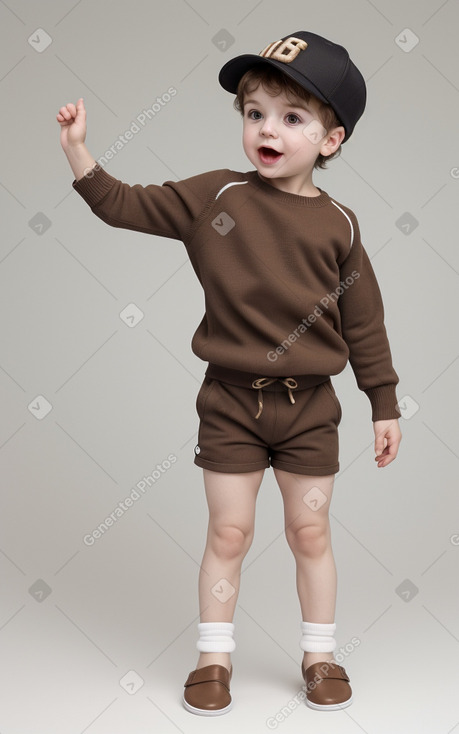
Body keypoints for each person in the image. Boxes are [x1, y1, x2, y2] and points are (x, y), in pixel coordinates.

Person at [56, 30, 402, 716]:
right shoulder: (215, 196)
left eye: (291, 117)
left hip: (310, 408)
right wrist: (78, 152)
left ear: (331, 140)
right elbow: (123, 204)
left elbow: (362, 321)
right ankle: (213, 661)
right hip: (231, 403)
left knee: (310, 532)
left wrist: (383, 403)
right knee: (229, 532)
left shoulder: (340, 224)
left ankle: (319, 656)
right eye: (254, 113)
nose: (267, 129)